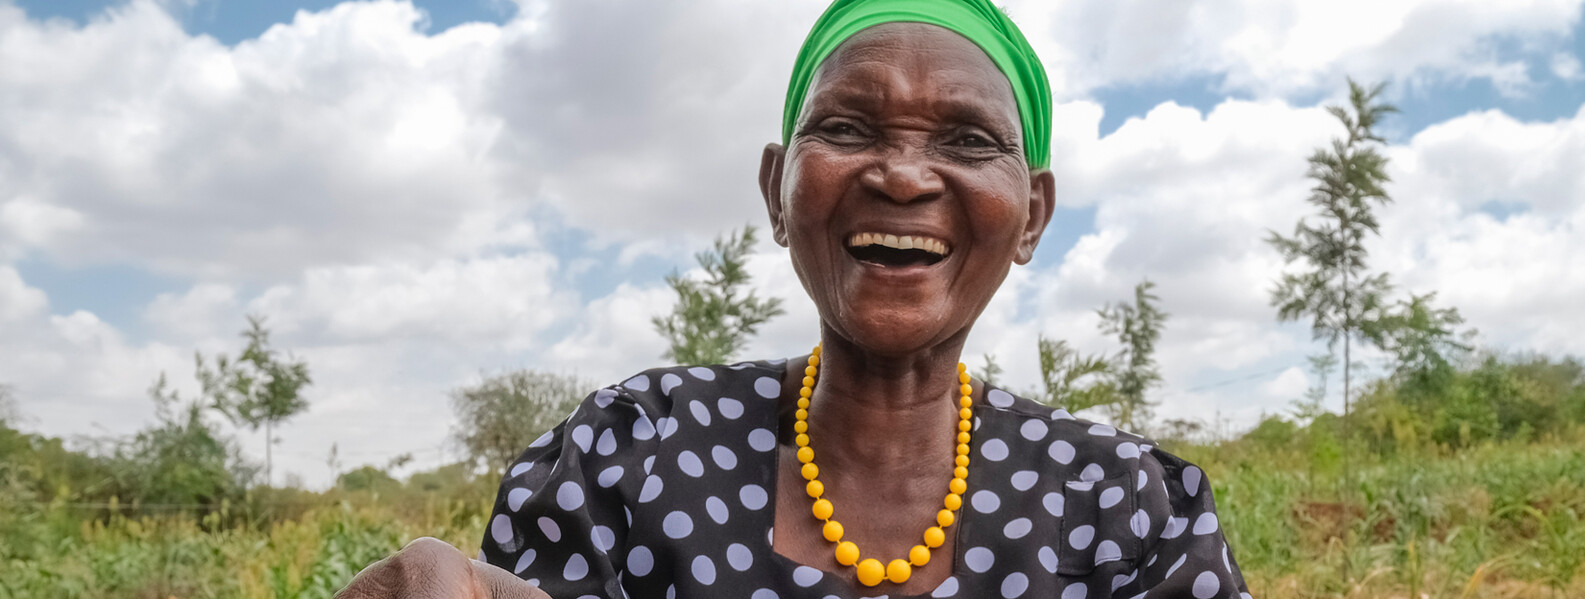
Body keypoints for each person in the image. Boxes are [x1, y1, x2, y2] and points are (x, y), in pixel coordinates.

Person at [337, 1, 1250, 597]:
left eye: (968, 139)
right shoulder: (626, 457)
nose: (900, 173)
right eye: (848, 127)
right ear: (779, 190)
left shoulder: (1126, 508)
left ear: (1030, 217)